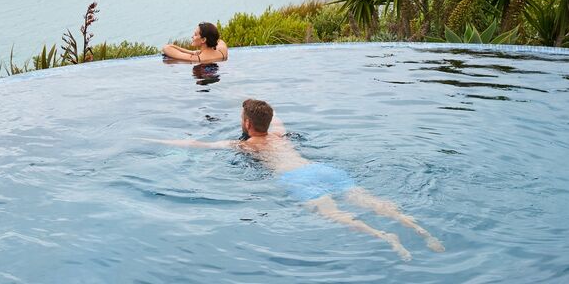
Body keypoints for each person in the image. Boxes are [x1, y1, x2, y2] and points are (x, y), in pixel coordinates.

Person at [150, 99, 444, 260]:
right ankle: (419, 229)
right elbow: (273, 117)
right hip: (321, 168)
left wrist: (153, 140)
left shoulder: (247, 145)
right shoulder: (279, 135)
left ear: (247, 124)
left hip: (297, 179)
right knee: (371, 201)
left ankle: (387, 238)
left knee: (338, 215)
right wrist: (258, 110)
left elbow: (197, 145)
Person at [162, 22, 228, 63]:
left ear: (203, 40)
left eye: (195, 35)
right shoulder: (222, 52)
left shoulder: (196, 58)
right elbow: (218, 39)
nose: (192, 36)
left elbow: (166, 48)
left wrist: (192, 52)